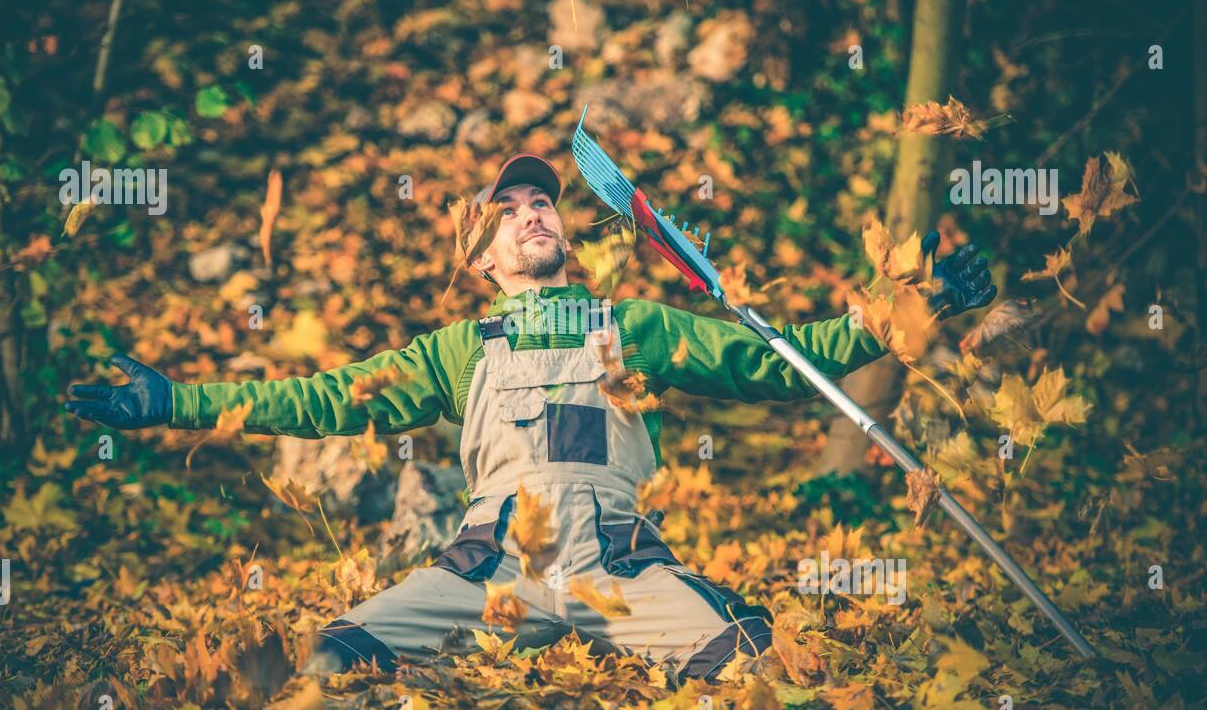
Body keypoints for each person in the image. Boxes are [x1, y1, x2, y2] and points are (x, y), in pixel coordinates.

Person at [67, 151, 995, 681]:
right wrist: (174, 403)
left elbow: (777, 362)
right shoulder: (454, 348)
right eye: (506, 211)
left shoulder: (632, 325)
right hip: (487, 574)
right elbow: (312, 398)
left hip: (619, 569)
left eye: (541, 200)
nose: (530, 213)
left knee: (761, 666)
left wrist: (913, 309)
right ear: (483, 258)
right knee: (326, 661)